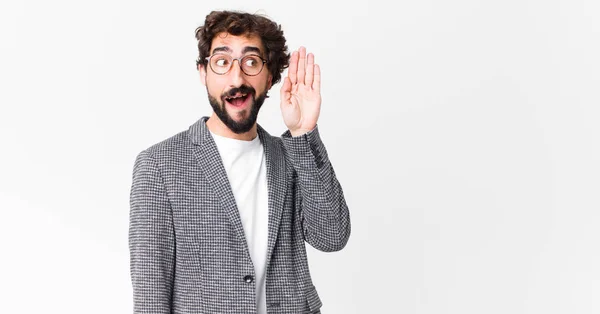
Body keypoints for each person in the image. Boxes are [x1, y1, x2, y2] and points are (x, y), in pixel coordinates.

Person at [128, 10, 351, 314]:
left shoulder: (289, 155)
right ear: (203, 73)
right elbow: (150, 296)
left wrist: (303, 133)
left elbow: (332, 236)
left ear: (269, 76)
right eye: (222, 62)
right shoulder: (159, 166)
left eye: (251, 62)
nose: (237, 78)